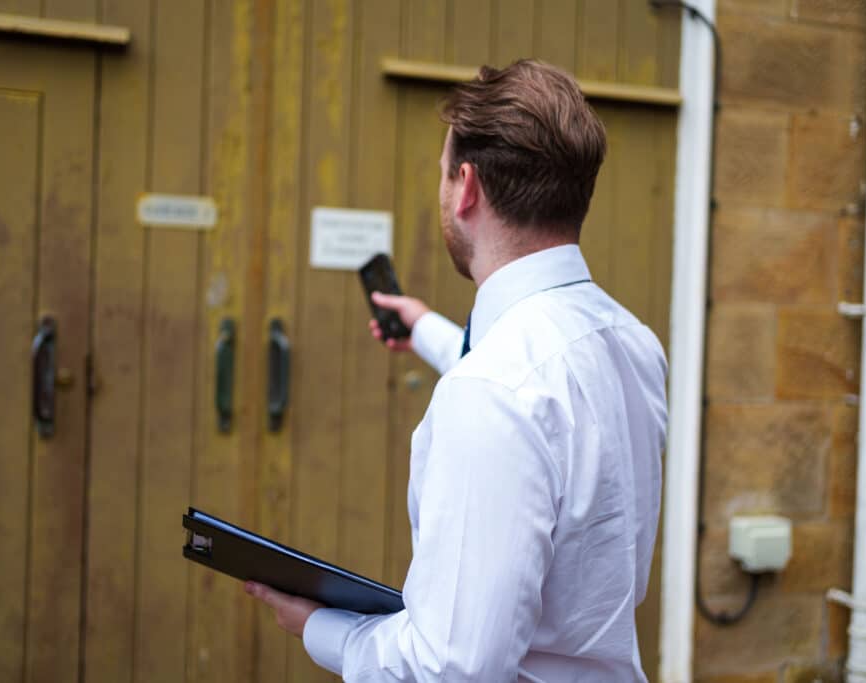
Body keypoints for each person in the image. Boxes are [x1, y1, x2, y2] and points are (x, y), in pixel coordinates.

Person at [246, 59, 668, 682]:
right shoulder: (633, 342)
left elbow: (451, 670)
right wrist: (424, 328)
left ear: (466, 186)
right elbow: (543, 397)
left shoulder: (491, 391)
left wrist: (319, 626)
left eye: (443, 174)